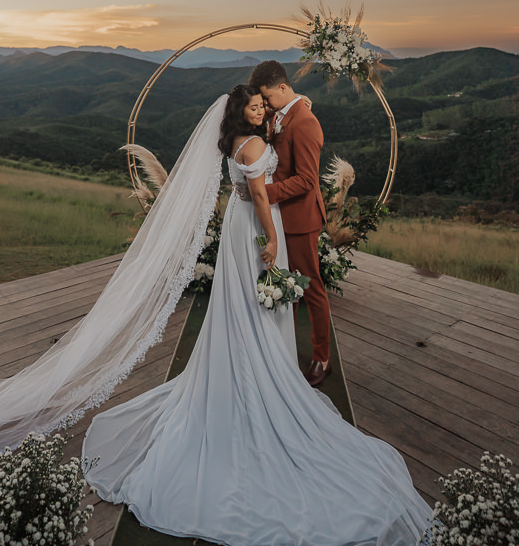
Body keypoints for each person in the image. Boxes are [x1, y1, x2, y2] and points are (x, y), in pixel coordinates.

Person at [83, 86, 432, 545]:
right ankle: (261, 369)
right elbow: (261, 197)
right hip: (254, 228)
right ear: (239, 113)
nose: (263, 110)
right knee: (257, 298)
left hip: (236, 227)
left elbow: (260, 164)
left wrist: (294, 106)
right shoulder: (251, 144)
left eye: (264, 104)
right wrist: (271, 240)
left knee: (241, 304)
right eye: (255, 106)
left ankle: (248, 356)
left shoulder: (236, 139)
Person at [249, 60, 331, 387]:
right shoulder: (283, 111)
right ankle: (283, 350)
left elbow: (308, 180)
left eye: (268, 99)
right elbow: (269, 117)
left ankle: (322, 356)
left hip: (300, 218)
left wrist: (263, 193)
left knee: (310, 289)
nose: (265, 107)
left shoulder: (305, 123)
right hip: (281, 216)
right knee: (287, 286)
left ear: (283, 88)